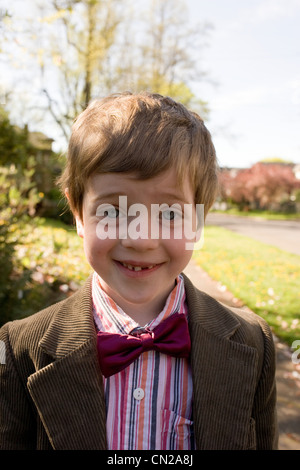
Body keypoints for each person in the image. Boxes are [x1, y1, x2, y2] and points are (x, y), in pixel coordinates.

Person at [0, 92, 278, 450]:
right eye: (113, 211)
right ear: (78, 212)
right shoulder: (19, 348)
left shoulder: (254, 343)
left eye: (169, 214)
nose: (142, 239)